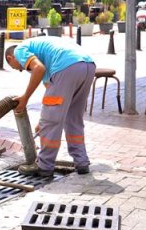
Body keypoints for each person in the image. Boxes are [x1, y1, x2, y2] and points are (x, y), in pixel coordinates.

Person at [5, 36, 96, 177]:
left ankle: (44, 165)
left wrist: (25, 98)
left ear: (10, 58)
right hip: (87, 66)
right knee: (73, 118)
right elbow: (51, 95)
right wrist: (42, 123)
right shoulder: (42, 50)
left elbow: (38, 69)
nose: (21, 70)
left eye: (16, 68)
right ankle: (82, 162)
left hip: (66, 66)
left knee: (51, 120)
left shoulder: (19, 50)